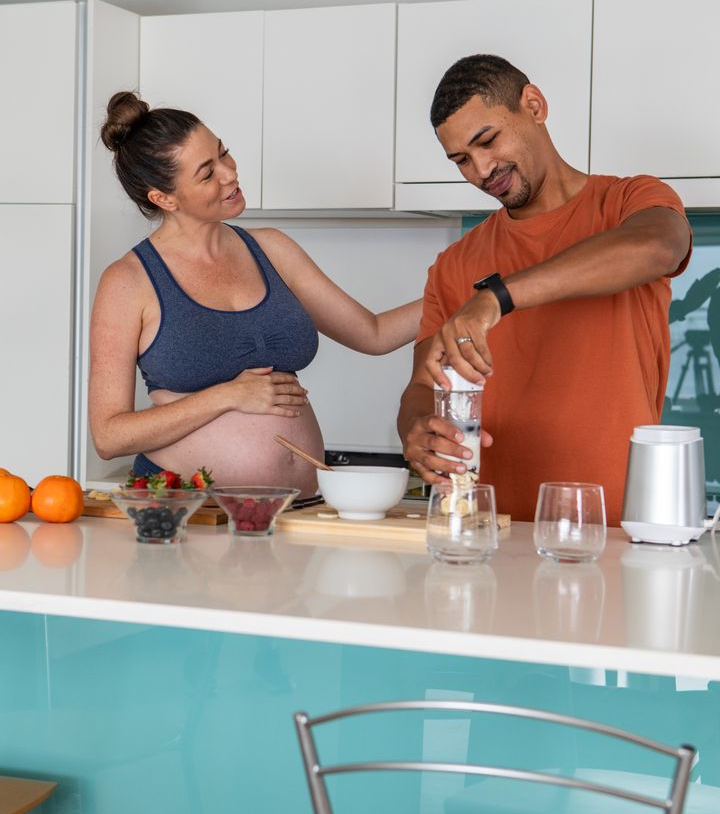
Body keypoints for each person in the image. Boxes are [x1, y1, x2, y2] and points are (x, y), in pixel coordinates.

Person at [397, 54, 692, 526]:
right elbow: (421, 387)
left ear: (533, 105)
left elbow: (660, 247)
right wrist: (416, 430)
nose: (481, 170)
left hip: (620, 530)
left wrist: (495, 297)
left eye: (487, 140)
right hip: (492, 530)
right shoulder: (454, 265)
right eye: (461, 160)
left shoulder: (628, 202)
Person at [90, 91, 421, 497]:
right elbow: (108, 436)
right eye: (207, 173)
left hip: (302, 508)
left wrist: (476, 295)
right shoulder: (128, 281)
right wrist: (228, 396)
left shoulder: (272, 249)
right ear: (164, 198)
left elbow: (374, 333)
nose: (230, 173)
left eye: (223, 153)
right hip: (192, 513)